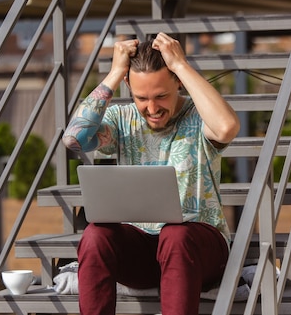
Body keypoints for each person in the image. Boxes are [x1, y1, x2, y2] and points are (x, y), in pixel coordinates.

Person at [62, 32, 240, 315]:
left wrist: (180, 64)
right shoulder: (122, 119)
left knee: (175, 235)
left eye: (161, 96)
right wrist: (116, 71)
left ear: (178, 83)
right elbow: (74, 139)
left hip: (199, 250)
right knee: (95, 234)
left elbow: (227, 127)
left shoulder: (199, 116)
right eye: (142, 98)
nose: (153, 108)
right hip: (142, 251)